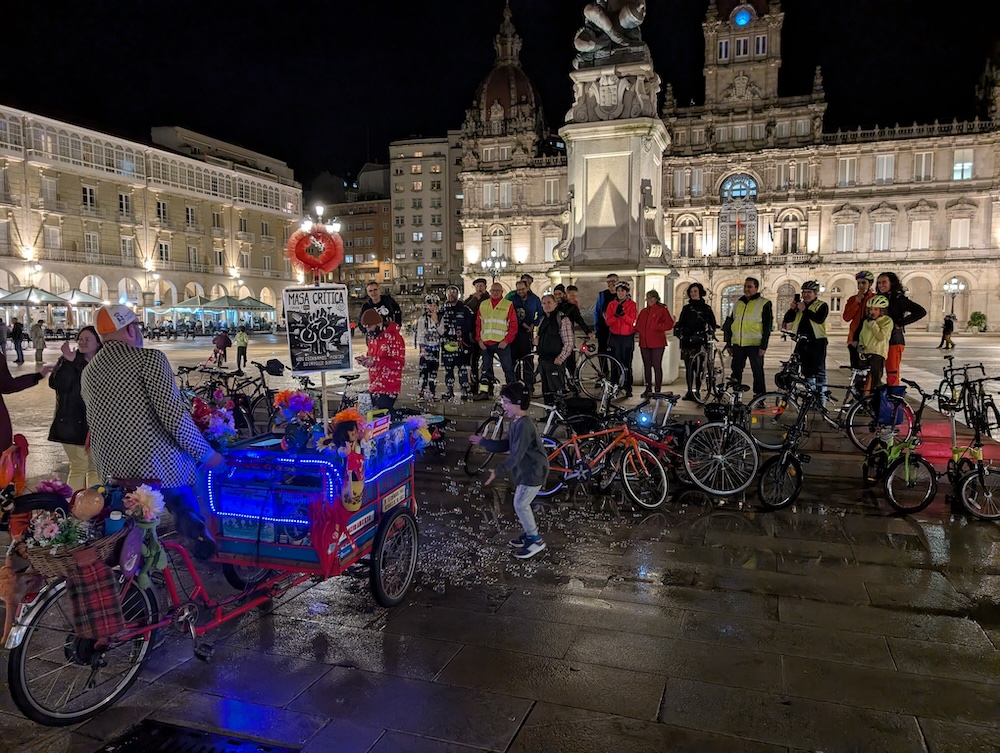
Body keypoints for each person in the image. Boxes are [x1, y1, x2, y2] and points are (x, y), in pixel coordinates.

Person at [81, 304, 224, 560]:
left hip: (112, 470)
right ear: (130, 329)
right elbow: (174, 417)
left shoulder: (89, 371)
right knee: (185, 494)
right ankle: (197, 533)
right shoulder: (149, 359)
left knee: (127, 527)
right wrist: (206, 453)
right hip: (155, 468)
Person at [469, 382, 549, 560]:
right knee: (520, 503)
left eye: (506, 402)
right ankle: (529, 534)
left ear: (518, 403)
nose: (503, 405)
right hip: (526, 472)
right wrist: (484, 442)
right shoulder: (516, 422)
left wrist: (497, 471)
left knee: (520, 504)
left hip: (533, 472)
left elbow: (516, 456)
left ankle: (535, 539)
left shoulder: (524, 426)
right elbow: (506, 445)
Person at [47, 326, 102, 490]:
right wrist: (69, 362)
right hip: (71, 423)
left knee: (96, 469)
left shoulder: (104, 362)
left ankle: (95, 508)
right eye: (80, 339)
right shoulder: (67, 359)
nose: (83, 342)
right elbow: (57, 384)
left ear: (98, 342)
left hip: (97, 424)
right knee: (79, 467)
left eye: (88, 339)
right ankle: (74, 509)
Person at [723, 277, 773, 396]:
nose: (746, 289)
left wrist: (763, 346)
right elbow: (730, 323)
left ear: (756, 288)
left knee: (757, 372)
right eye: (745, 286)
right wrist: (728, 343)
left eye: (749, 287)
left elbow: (767, 326)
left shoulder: (764, 303)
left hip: (755, 345)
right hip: (738, 344)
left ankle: (759, 395)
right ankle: (735, 394)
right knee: (736, 371)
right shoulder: (738, 303)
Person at [877, 272, 927, 386]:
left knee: (892, 371)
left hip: (894, 339)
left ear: (892, 283)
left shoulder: (899, 299)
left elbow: (920, 311)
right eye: (879, 283)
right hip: (878, 339)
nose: (881, 285)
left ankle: (893, 398)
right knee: (875, 371)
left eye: (884, 282)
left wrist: (900, 323)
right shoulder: (877, 298)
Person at [783, 280, 829, 399]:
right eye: (804, 292)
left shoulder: (821, 305)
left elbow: (819, 319)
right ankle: (810, 398)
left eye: (809, 292)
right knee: (807, 372)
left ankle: (821, 399)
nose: (806, 295)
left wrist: (805, 310)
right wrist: (792, 309)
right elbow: (787, 319)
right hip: (802, 342)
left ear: (815, 293)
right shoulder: (800, 306)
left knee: (819, 372)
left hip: (817, 342)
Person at [674, 282, 717, 400]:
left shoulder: (706, 308)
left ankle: (697, 391)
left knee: (698, 367)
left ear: (700, 293)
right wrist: (680, 333)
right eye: (691, 292)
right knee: (688, 367)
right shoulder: (686, 308)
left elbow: (712, 323)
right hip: (688, 340)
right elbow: (681, 322)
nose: (693, 294)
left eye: (695, 291)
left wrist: (709, 333)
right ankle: (689, 391)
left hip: (700, 341)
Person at [356, 309, 405, 411]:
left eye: (369, 327)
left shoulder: (394, 337)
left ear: (378, 323)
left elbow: (398, 363)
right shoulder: (373, 338)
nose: (368, 330)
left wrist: (375, 361)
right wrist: (365, 361)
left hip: (389, 387)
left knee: (382, 417)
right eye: (366, 328)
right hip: (374, 385)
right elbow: (372, 358)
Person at [475, 281, 517, 398]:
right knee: (485, 369)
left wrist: (507, 340)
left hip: (501, 342)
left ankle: (512, 392)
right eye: (493, 290)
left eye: (498, 290)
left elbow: (513, 325)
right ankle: (485, 391)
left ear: (502, 292)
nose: (495, 293)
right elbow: (478, 324)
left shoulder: (508, 305)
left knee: (508, 368)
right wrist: (479, 340)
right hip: (486, 342)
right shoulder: (483, 304)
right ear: (490, 291)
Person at [535, 294, 574, 404]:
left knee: (557, 390)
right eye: (544, 303)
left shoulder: (562, 319)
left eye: (549, 302)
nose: (546, 305)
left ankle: (560, 415)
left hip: (555, 361)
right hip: (544, 360)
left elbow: (569, 342)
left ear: (555, 304)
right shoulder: (543, 319)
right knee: (546, 391)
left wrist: (560, 358)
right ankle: (549, 415)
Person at [636, 289, 674, 397]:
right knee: (647, 366)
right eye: (648, 297)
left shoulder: (662, 310)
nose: (650, 300)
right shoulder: (643, 311)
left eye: (652, 297)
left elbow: (669, 324)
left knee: (657, 365)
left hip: (657, 342)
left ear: (656, 299)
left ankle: (657, 389)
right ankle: (648, 388)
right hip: (644, 343)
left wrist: (657, 327)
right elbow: (638, 325)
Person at [439, 285, 474, 401]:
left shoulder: (465, 309)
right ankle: (449, 390)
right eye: (449, 293)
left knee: (463, 368)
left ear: (458, 295)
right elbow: (438, 325)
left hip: (461, 344)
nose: (451, 294)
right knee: (448, 369)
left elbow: (470, 325)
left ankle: (464, 389)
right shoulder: (442, 310)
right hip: (447, 344)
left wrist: (462, 331)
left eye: (454, 292)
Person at [510, 279, 542, 394]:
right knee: (515, 362)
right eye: (518, 290)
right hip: (514, 334)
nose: (520, 292)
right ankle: (517, 386)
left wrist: (534, 323)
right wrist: (523, 323)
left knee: (528, 361)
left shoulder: (535, 299)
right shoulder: (512, 299)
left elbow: (541, 313)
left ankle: (529, 387)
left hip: (527, 334)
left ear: (527, 288)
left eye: (522, 289)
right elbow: (510, 314)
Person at [606, 281, 638, 398]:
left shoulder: (632, 305)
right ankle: (614, 386)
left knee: (626, 364)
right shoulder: (611, 304)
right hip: (614, 337)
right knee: (614, 363)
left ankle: (627, 387)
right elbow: (608, 322)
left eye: (622, 291)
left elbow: (631, 321)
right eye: (618, 291)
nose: (620, 293)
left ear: (626, 292)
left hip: (626, 337)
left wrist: (623, 314)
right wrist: (615, 315)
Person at [858, 295, 892, 391]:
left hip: (878, 354)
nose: (872, 312)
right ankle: (862, 401)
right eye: (871, 309)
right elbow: (862, 336)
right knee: (861, 381)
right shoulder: (866, 322)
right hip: (866, 353)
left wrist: (873, 324)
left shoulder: (887, 321)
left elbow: (881, 337)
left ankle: (874, 402)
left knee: (875, 382)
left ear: (881, 310)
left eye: (876, 309)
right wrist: (861, 346)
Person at [843, 271, 875, 369]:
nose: (861, 285)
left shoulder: (874, 298)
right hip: (854, 339)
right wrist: (856, 302)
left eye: (863, 283)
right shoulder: (852, 299)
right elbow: (846, 317)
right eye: (859, 283)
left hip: (869, 339)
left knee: (868, 369)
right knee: (855, 367)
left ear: (870, 284)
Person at [561, 285, 593, 379]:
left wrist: (588, 331)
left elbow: (579, 320)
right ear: (566, 294)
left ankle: (573, 381)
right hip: (561, 335)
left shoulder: (573, 306)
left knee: (570, 360)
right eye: (571, 295)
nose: (573, 298)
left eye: (574, 296)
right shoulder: (563, 305)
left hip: (569, 336)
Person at [414, 294, 441, 400]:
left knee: (434, 371)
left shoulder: (439, 317)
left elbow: (442, 332)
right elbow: (420, 333)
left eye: (435, 305)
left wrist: (437, 321)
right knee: (424, 371)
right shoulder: (423, 319)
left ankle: (432, 391)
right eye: (430, 305)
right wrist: (422, 347)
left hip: (435, 348)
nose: (432, 308)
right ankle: (421, 391)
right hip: (426, 348)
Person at [464, 278, 490, 387]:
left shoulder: (489, 299)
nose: (479, 288)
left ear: (485, 287)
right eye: (477, 286)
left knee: (486, 362)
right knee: (473, 361)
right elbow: (465, 309)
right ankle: (474, 385)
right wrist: (475, 299)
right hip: (474, 335)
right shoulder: (472, 298)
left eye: (481, 286)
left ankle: (487, 386)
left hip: (487, 334)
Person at [594, 273, 619, 359]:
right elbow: (597, 311)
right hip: (603, 328)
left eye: (613, 281)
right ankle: (603, 372)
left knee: (614, 354)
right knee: (601, 353)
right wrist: (596, 328)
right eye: (609, 282)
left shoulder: (621, 295)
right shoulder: (603, 295)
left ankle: (615, 372)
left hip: (615, 329)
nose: (611, 284)